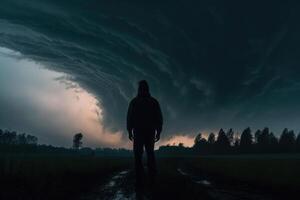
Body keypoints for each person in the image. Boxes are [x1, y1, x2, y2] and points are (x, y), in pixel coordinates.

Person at [127, 80, 163, 190]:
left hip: (140, 132)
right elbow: (159, 118)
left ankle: (140, 181)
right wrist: (158, 131)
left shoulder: (134, 102)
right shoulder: (153, 102)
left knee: (139, 156)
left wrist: (129, 130)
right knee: (149, 155)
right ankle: (150, 180)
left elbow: (129, 117)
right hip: (148, 132)